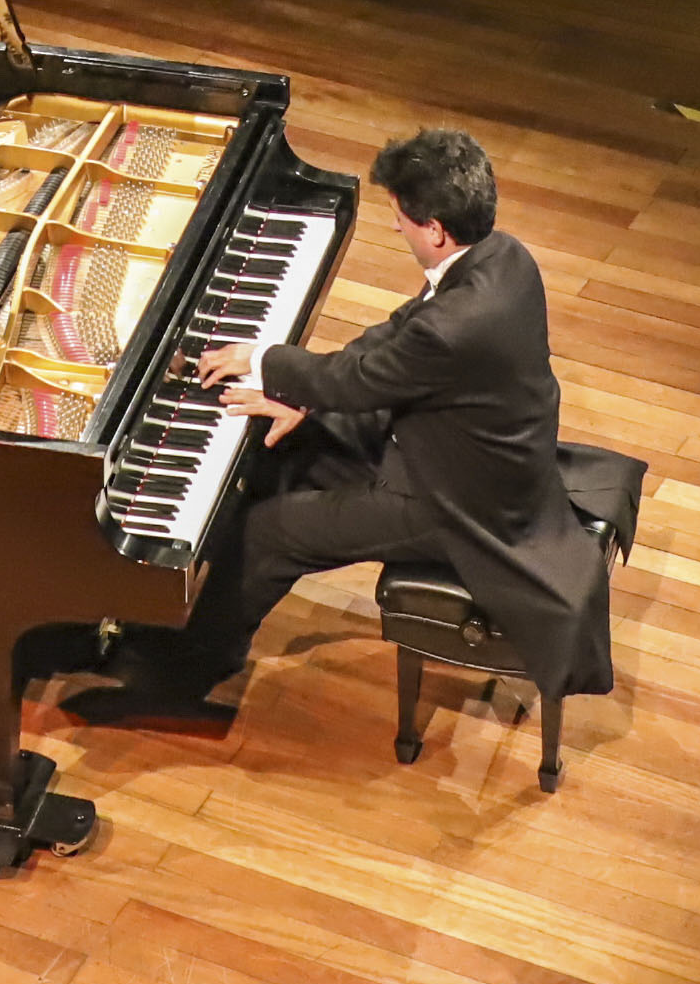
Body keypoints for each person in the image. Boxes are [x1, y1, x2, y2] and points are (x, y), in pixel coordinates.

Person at [74, 129, 601, 726]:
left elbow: (366, 378)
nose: (398, 228)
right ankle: (161, 602)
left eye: (401, 218)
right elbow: (398, 334)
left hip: (454, 505)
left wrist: (267, 360)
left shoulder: (457, 324)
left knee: (269, 535)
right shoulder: (505, 256)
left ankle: (188, 668)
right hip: (457, 453)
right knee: (279, 450)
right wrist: (302, 396)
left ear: (435, 229)